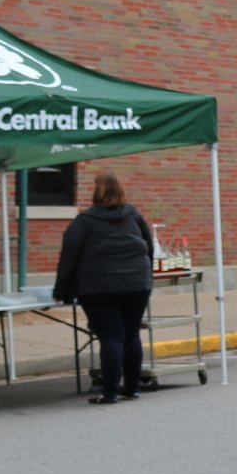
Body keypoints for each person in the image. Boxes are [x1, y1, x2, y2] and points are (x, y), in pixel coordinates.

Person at [51, 172, 154, 407]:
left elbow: (69, 257)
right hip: (137, 284)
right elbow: (148, 248)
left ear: (96, 193)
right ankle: (132, 388)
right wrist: (146, 276)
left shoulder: (85, 221)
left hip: (99, 286)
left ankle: (109, 393)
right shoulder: (134, 215)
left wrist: (61, 290)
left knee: (111, 337)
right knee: (130, 334)